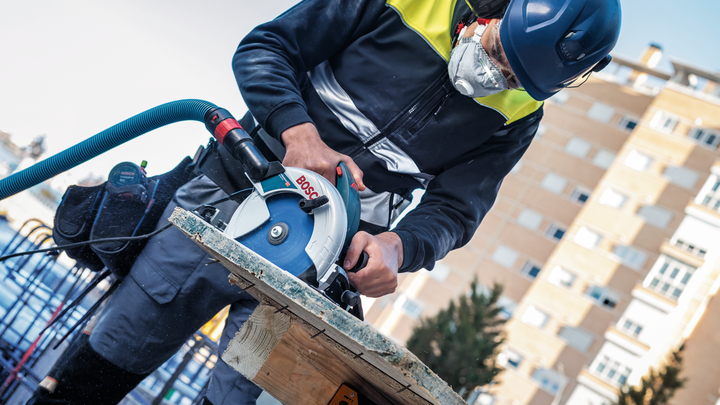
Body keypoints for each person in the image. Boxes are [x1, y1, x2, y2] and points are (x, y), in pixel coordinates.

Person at [27, 0, 621, 404]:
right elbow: (264, 49)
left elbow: (457, 210)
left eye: (515, 78)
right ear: (494, 8)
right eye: (497, 51)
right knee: (103, 363)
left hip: (322, 264)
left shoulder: (520, 115)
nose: (495, 78)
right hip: (233, 197)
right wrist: (295, 130)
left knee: (243, 394)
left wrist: (398, 245)